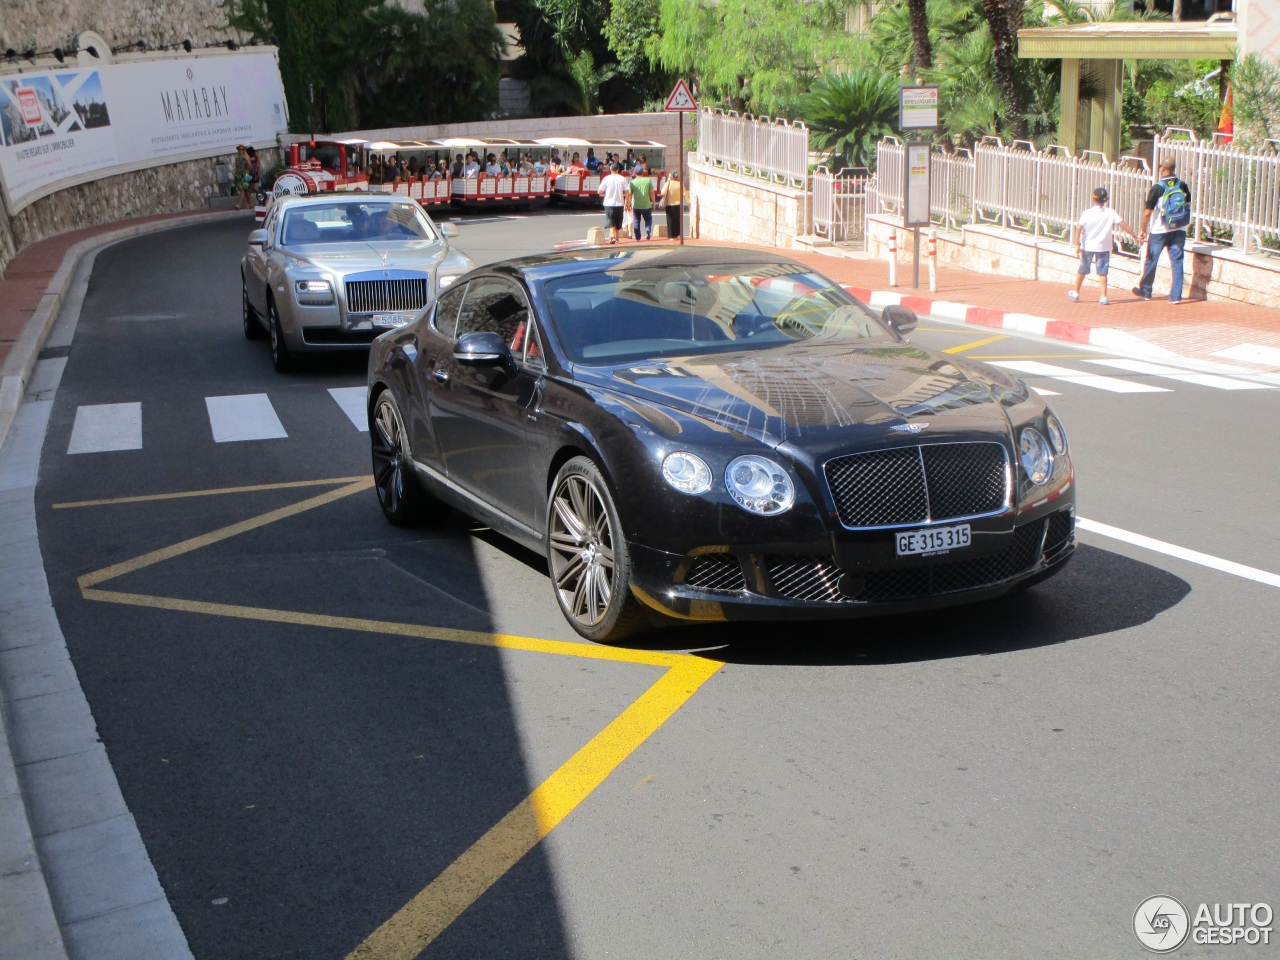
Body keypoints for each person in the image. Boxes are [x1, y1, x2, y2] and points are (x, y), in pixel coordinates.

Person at [1134, 156, 1193, 304]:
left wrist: (1142, 230)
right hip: (1179, 229)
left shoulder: (1158, 187)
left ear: (1164, 168)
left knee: (1152, 259)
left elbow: (1148, 212)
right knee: (1177, 261)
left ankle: (1146, 291)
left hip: (1160, 230)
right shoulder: (1182, 185)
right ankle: (1175, 296)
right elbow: (1188, 204)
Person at [1068, 186, 1136, 305]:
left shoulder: (1087, 213)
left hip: (1088, 246)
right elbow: (1123, 224)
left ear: (1093, 198)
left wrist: (1077, 244)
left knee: (1082, 270)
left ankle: (1076, 292)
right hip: (1104, 247)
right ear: (1106, 199)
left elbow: (1079, 229)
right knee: (1103, 272)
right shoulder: (1111, 213)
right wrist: (1134, 235)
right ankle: (1104, 296)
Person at [598, 162, 629, 244]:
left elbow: (600, 191)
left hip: (609, 203)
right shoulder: (623, 179)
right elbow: (627, 192)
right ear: (618, 169)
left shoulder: (606, 179)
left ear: (610, 169)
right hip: (620, 203)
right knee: (618, 221)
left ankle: (612, 236)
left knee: (611, 220)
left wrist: (602, 193)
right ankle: (617, 237)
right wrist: (627, 203)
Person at [627, 164, 654, 240]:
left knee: (636, 220)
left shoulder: (633, 182)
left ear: (635, 173)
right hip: (646, 204)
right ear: (643, 172)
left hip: (636, 205)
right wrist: (654, 203)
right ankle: (647, 228)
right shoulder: (648, 180)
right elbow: (652, 192)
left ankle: (637, 237)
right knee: (648, 218)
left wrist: (628, 205)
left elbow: (629, 195)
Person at [659, 171, 683, 240]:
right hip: (679, 204)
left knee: (670, 220)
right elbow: (684, 194)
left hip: (670, 204)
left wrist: (668, 180)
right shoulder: (680, 184)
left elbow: (663, 192)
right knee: (678, 220)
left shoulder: (668, 183)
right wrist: (688, 202)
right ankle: (678, 234)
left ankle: (671, 236)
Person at [233, 145, 253, 210]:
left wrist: (248, 161)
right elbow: (236, 166)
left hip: (245, 174)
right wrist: (235, 174)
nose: (241, 151)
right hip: (239, 174)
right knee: (246, 190)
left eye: (242, 149)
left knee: (242, 189)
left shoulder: (246, 157)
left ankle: (239, 204)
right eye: (239, 149)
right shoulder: (237, 158)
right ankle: (250, 203)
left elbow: (250, 167)